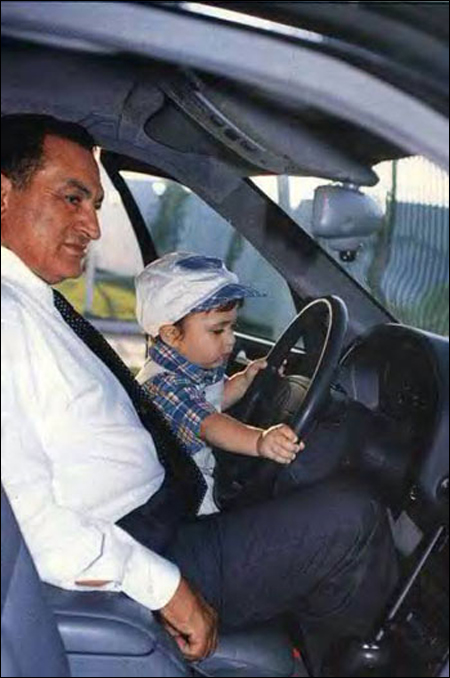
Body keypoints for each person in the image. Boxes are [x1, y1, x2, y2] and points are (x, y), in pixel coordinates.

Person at [1, 113, 398, 671]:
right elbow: (24, 520)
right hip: (137, 554)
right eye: (72, 198)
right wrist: (165, 587)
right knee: (352, 519)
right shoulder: (6, 316)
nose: (92, 226)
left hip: (163, 521)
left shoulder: (30, 302)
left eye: (96, 205)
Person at [134, 252, 304, 516]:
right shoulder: (164, 387)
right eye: (218, 330)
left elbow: (212, 399)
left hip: (201, 478)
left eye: (232, 327)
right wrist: (260, 441)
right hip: (187, 502)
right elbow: (210, 425)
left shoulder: (190, 367)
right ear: (171, 334)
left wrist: (244, 380)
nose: (231, 340)